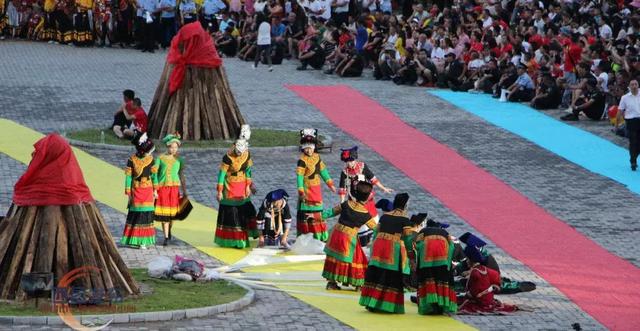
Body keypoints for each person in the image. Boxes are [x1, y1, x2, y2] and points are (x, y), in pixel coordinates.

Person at [359, 193, 413, 314]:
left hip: (379, 246)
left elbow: (376, 231)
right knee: (389, 276)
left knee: (376, 273)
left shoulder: (384, 216)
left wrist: (373, 246)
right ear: (405, 205)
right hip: (392, 248)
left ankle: (370, 303)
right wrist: (411, 252)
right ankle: (385, 306)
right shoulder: (405, 219)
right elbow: (408, 239)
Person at [321, 181, 376, 290]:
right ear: (368, 197)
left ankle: (331, 283)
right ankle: (358, 284)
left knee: (334, 257)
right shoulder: (365, 214)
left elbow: (331, 212)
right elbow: (376, 228)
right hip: (348, 238)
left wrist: (317, 216)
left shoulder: (346, 204)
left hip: (336, 233)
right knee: (357, 259)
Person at [338, 146, 392, 246]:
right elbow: (342, 190)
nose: (349, 163)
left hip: (367, 200)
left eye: (351, 160)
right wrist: (342, 203)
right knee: (361, 225)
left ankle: (375, 243)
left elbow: (372, 178)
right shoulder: (344, 173)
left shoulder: (362, 166)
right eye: (347, 161)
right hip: (355, 202)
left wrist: (383, 188)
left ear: (355, 159)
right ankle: (363, 245)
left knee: (373, 221)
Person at [214, 138, 257, 248]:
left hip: (242, 186)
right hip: (229, 187)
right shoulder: (227, 157)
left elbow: (248, 171)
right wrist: (219, 191)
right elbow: (221, 175)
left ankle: (244, 236)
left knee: (243, 211)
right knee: (232, 214)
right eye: (237, 152)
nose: (239, 154)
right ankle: (233, 241)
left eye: (241, 152)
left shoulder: (246, 154)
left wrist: (249, 186)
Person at [296, 128, 336, 241]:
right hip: (306, 190)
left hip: (316, 190)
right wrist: (301, 191)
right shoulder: (302, 160)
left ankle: (320, 237)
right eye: (306, 148)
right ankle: (306, 237)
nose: (308, 150)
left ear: (314, 147)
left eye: (310, 148)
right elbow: (299, 177)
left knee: (318, 212)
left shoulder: (317, 157)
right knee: (306, 215)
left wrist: (330, 184)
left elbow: (323, 171)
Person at [414, 215, 457, 315]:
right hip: (442, 260)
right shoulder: (445, 233)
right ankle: (442, 305)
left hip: (427, 261)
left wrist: (418, 261)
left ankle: (429, 306)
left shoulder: (423, 232)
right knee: (441, 282)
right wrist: (448, 263)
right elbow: (452, 247)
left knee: (429, 281)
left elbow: (417, 245)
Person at [121, 131, 158, 249]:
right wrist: (128, 191)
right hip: (136, 190)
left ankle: (144, 241)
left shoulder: (152, 159)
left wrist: (155, 190)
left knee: (146, 214)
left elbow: (154, 176)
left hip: (147, 190)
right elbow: (128, 176)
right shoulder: (131, 160)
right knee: (136, 215)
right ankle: (135, 240)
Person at [457, 245, 518, 314]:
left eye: (468, 260)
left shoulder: (475, 272)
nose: (467, 262)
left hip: (481, 300)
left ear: (472, 261)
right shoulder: (483, 268)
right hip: (489, 298)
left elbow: (474, 292)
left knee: (463, 302)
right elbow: (496, 278)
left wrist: (467, 294)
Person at [154, 133, 187, 246]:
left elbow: (181, 175)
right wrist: (154, 189)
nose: (173, 149)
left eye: (176, 147)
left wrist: (184, 190)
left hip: (174, 189)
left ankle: (169, 230)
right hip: (163, 189)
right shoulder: (160, 158)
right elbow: (154, 174)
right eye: (171, 147)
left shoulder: (180, 160)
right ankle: (166, 236)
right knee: (164, 214)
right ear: (167, 147)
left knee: (172, 214)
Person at [616, 79, 640, 171]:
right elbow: (620, 110)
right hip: (631, 121)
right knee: (633, 141)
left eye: (635, 84)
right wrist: (617, 124)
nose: (634, 86)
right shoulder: (625, 98)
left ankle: (634, 156)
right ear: (629, 87)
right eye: (632, 85)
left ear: (638, 85)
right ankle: (633, 161)